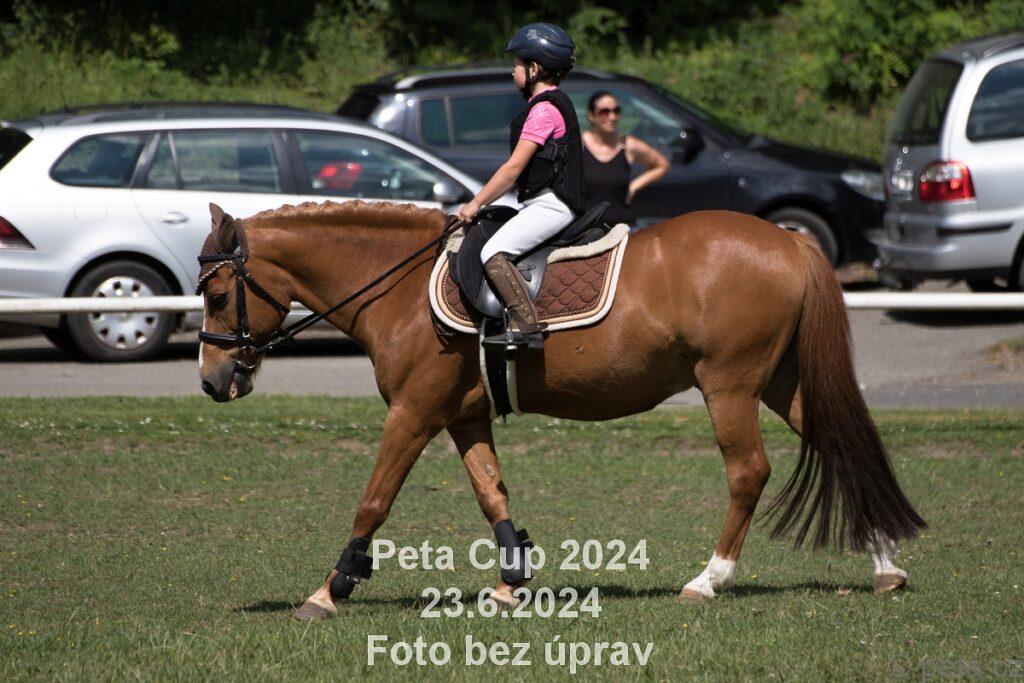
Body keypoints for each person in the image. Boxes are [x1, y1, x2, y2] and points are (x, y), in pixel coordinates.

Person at [457, 23, 584, 350]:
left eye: (516, 64)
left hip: (552, 204)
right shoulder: (553, 104)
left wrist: (476, 203)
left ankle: (526, 326)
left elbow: (513, 169)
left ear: (534, 69)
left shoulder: (543, 111)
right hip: (544, 202)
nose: (512, 71)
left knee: (493, 251)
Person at [582, 91, 670, 227]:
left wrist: (634, 186)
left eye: (616, 111)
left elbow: (662, 164)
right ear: (591, 116)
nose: (612, 117)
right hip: (585, 229)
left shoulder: (628, 145)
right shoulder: (578, 145)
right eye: (604, 112)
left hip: (622, 227)